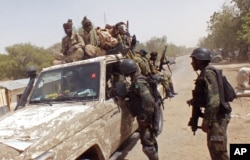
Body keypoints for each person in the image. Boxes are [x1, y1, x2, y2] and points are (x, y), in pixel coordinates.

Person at [187, 47, 230, 160]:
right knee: (215, 149)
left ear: (200, 60)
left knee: (219, 152)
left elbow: (214, 100)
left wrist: (207, 120)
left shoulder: (208, 73)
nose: (192, 63)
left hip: (217, 117)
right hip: (216, 116)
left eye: (193, 60)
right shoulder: (205, 72)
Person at [119, 59, 159, 160]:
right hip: (145, 116)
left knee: (147, 145)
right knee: (150, 141)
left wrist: (146, 119)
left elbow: (148, 101)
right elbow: (136, 95)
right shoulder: (136, 80)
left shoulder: (138, 82)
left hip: (146, 117)